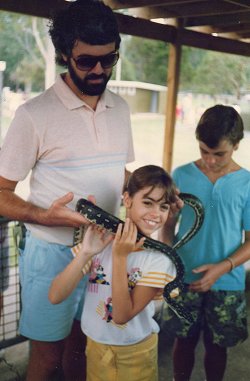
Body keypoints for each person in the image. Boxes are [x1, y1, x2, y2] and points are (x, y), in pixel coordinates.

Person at [0, 1, 135, 379]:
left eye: (108, 60)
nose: (98, 70)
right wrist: (43, 215)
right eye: (86, 61)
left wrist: (151, 190)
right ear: (63, 54)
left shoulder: (121, 108)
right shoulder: (33, 115)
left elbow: (118, 171)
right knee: (46, 357)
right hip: (52, 254)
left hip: (103, 253)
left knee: (85, 346)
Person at [49, 165, 178, 381]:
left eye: (163, 207)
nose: (156, 214)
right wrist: (86, 253)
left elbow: (121, 316)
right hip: (95, 348)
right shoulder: (101, 241)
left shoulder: (160, 261)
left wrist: (120, 257)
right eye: (147, 203)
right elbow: (55, 296)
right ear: (127, 200)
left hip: (135, 355)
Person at [160, 104, 250, 381]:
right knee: (182, 341)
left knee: (217, 346)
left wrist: (221, 268)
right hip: (183, 277)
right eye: (204, 151)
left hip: (227, 281)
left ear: (236, 144)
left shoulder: (246, 183)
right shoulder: (182, 175)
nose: (210, 160)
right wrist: (170, 260)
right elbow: (167, 226)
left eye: (218, 154)